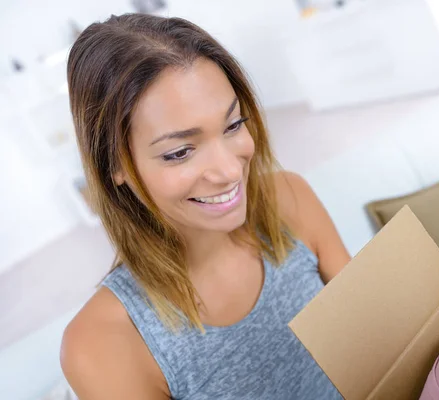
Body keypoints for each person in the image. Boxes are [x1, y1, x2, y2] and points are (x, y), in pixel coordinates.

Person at [60, 13, 350, 400]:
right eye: (180, 152)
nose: (231, 170)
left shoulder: (289, 198)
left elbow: (373, 335)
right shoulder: (100, 342)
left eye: (232, 125)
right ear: (113, 165)